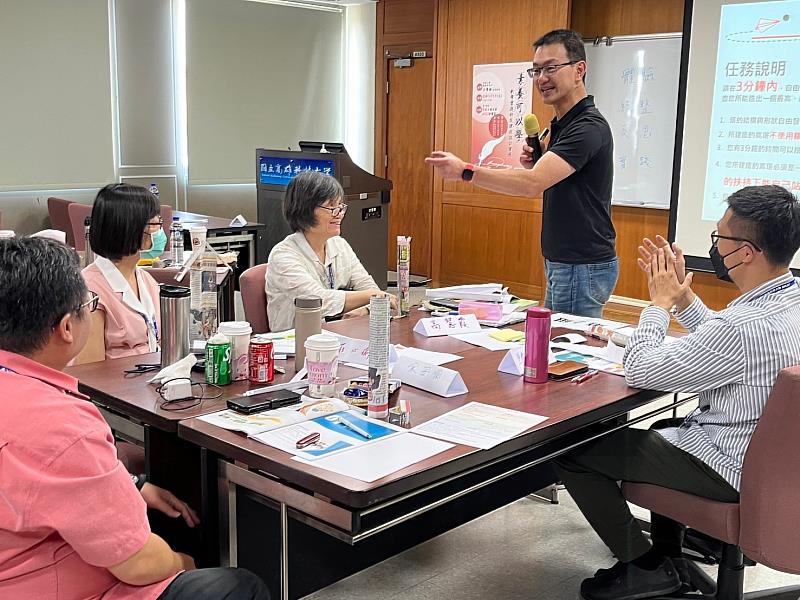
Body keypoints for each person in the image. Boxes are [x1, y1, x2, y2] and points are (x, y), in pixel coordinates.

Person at [552, 185, 800, 600]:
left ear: (747, 252)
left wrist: (658, 307)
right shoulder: (787, 301)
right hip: (778, 466)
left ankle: (644, 566)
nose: (715, 246)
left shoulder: (739, 328)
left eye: (720, 238)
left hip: (731, 468)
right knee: (669, 424)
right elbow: (724, 346)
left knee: (574, 452)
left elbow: (641, 368)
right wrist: (684, 299)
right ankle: (672, 552)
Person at [0, 236, 270, 599]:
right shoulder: (60, 424)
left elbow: (41, 485)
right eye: (88, 305)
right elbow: (138, 564)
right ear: (66, 327)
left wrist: (133, 485)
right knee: (236, 585)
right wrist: (186, 564)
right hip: (52, 582)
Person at [425, 28, 617, 318]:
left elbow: (531, 185)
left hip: (582, 264)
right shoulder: (560, 125)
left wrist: (465, 171)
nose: (542, 79)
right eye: (536, 70)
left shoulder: (587, 127)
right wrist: (538, 161)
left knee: (569, 354)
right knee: (555, 347)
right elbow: (544, 180)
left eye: (551, 68)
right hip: (566, 261)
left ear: (579, 70)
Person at [266, 171, 395, 331]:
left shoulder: (339, 245)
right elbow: (318, 301)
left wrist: (365, 308)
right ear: (305, 209)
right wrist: (372, 296)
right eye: (331, 208)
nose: (339, 215)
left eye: (340, 207)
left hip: (335, 334)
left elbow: (368, 286)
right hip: (295, 342)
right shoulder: (283, 256)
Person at [78, 183, 166, 363]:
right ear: (129, 227)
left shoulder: (147, 280)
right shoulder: (90, 291)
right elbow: (90, 373)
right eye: (153, 222)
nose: (158, 229)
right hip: (117, 388)